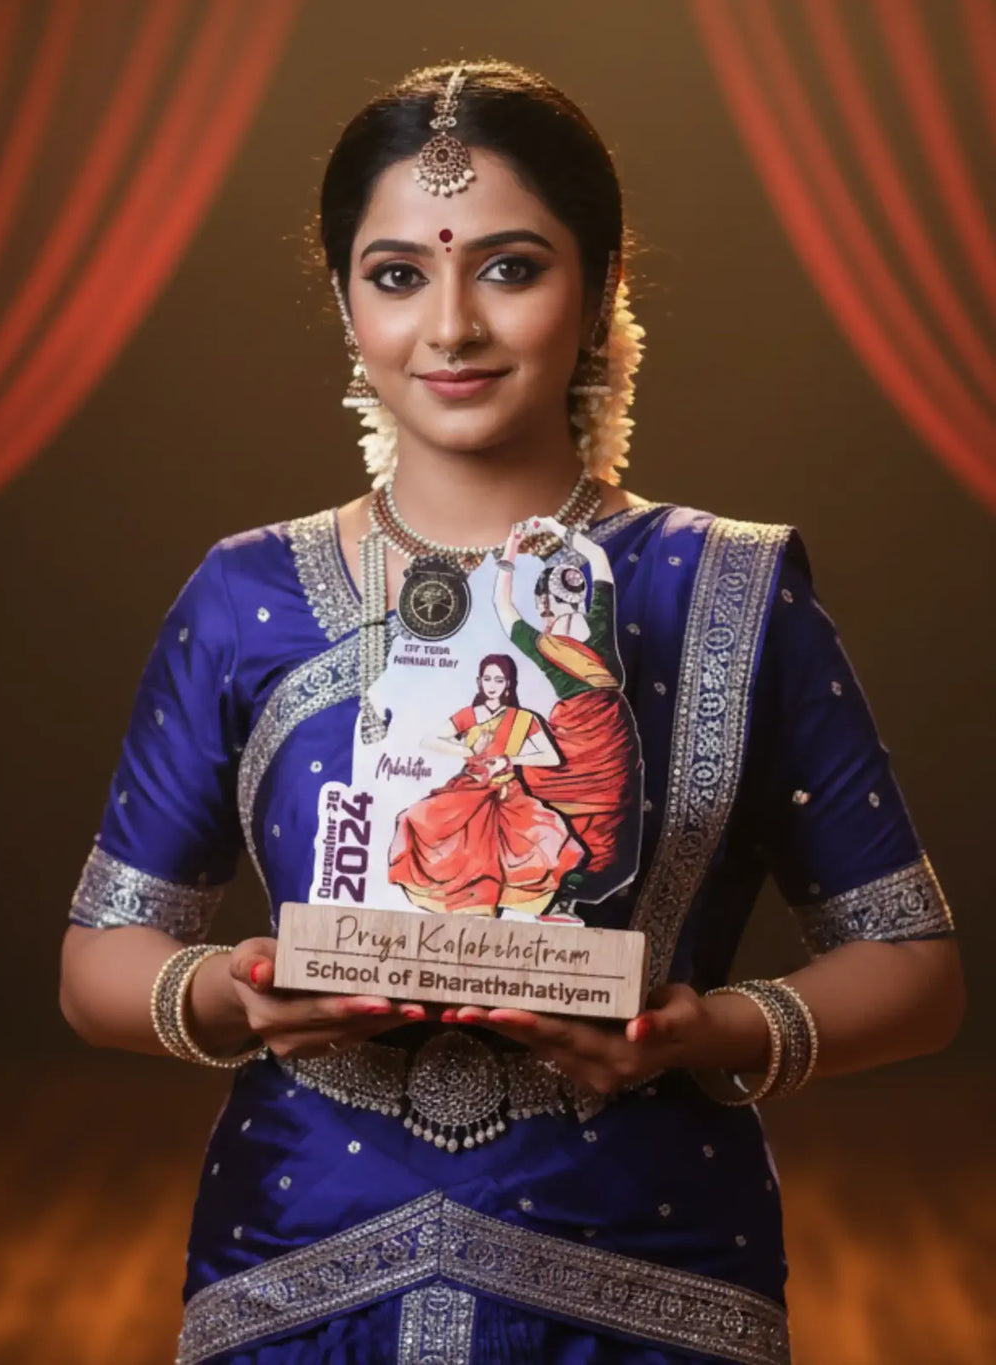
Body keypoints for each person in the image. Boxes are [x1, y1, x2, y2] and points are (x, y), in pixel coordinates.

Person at [58, 60, 964, 1365]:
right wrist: (229, 991)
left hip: (648, 1286)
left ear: (600, 295)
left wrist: (705, 1032)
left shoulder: (730, 590)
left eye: (510, 267)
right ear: (344, 301)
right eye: (397, 274)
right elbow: (102, 954)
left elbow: (917, 973)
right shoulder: (247, 593)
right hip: (300, 1280)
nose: (450, 329)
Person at [493, 518, 643, 909]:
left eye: (542, 605)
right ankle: (579, 881)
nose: (542, 612)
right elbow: (598, 556)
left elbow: (501, 605)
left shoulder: (542, 643)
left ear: (546, 603)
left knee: (541, 790)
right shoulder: (599, 625)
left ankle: (557, 880)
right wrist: (556, 528)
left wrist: (513, 546)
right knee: (610, 806)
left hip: (575, 734)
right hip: (613, 732)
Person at [387, 654, 584, 916]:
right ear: (479, 681)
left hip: (505, 791)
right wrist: (468, 748)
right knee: (412, 818)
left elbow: (551, 756)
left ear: (509, 684)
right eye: (488, 679)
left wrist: (508, 759)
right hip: (468, 788)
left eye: (499, 679)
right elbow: (429, 740)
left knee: (543, 836)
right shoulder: (471, 715)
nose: (492, 685)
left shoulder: (523, 719)